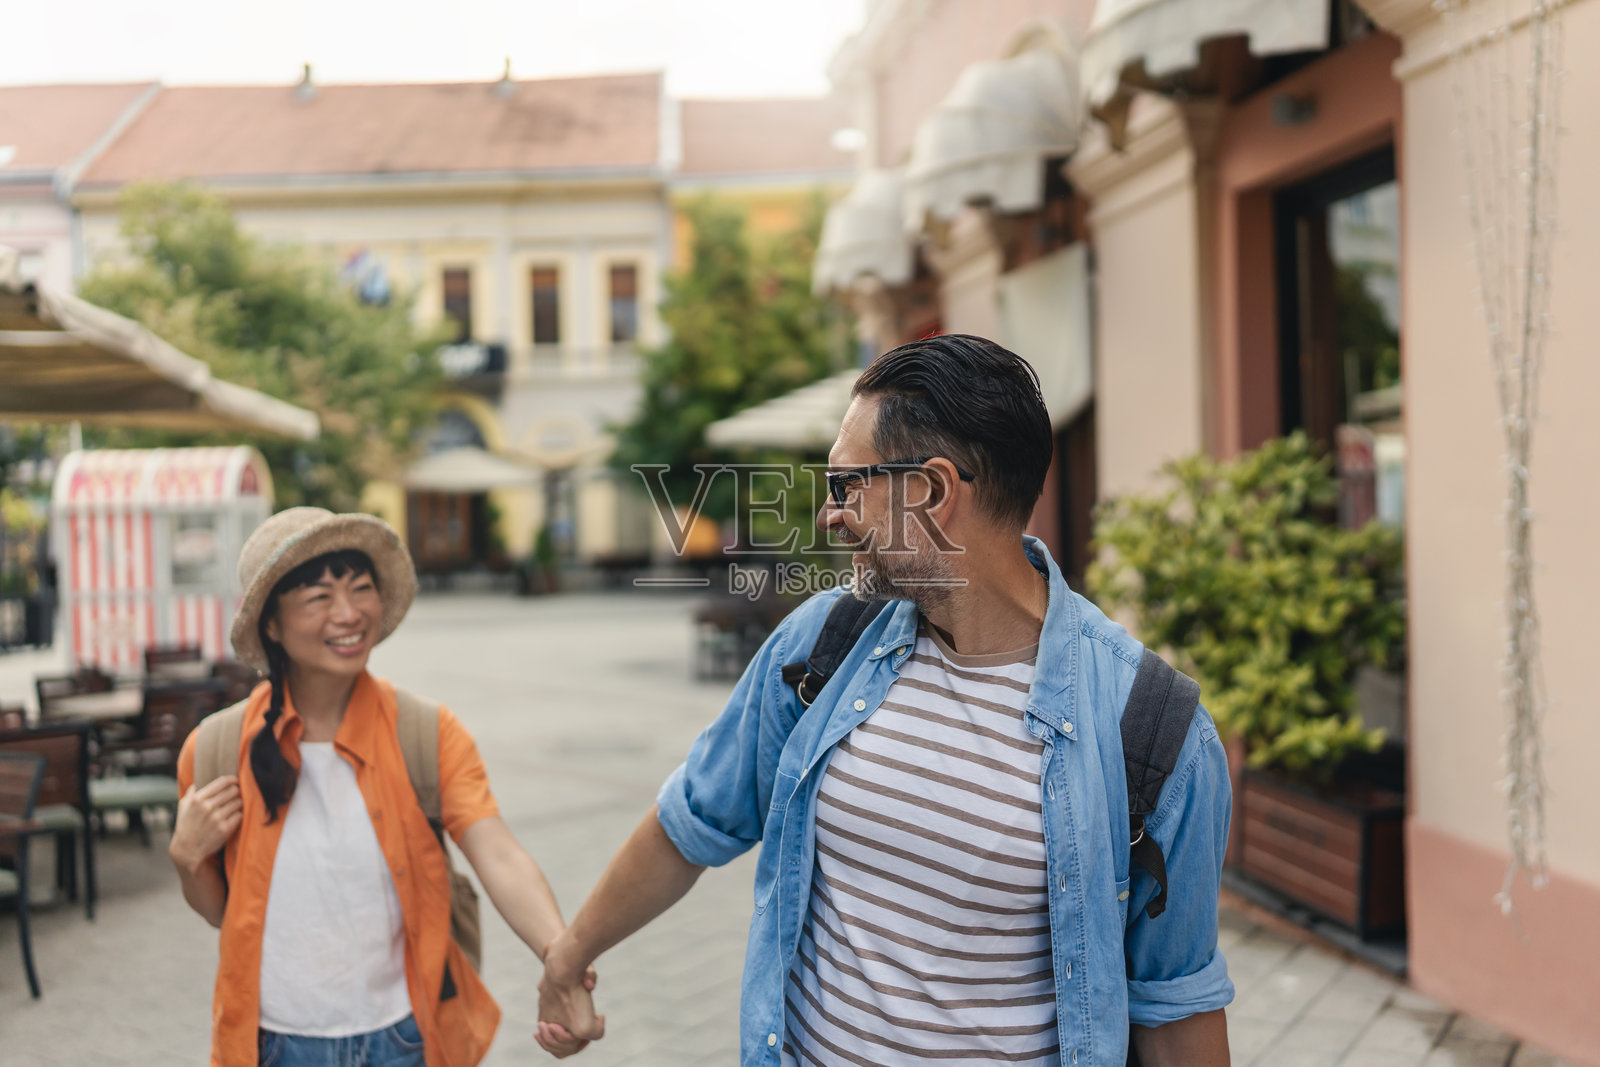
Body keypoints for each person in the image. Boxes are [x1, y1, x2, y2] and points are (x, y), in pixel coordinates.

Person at [537, 334, 1234, 1065]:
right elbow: (694, 817)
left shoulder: (1155, 733)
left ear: (932, 492)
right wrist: (569, 955)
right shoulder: (824, 644)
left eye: (845, 487)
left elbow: (1177, 1010)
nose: (828, 516)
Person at [169, 507, 596, 1066]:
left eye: (360, 588)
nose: (348, 614)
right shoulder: (215, 750)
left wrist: (559, 956)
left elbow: (498, 854)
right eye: (318, 596)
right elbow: (222, 913)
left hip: (405, 1038)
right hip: (272, 1043)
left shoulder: (425, 732)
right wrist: (185, 858)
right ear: (270, 624)